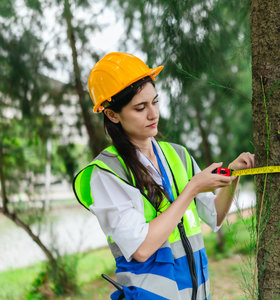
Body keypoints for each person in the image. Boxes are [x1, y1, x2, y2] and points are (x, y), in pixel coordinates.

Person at [72, 52, 254, 300]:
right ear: (113, 115)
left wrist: (233, 175)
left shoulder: (177, 155)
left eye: (155, 102)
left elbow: (215, 216)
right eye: (140, 107)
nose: (153, 114)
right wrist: (192, 188)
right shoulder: (107, 173)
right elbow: (142, 249)